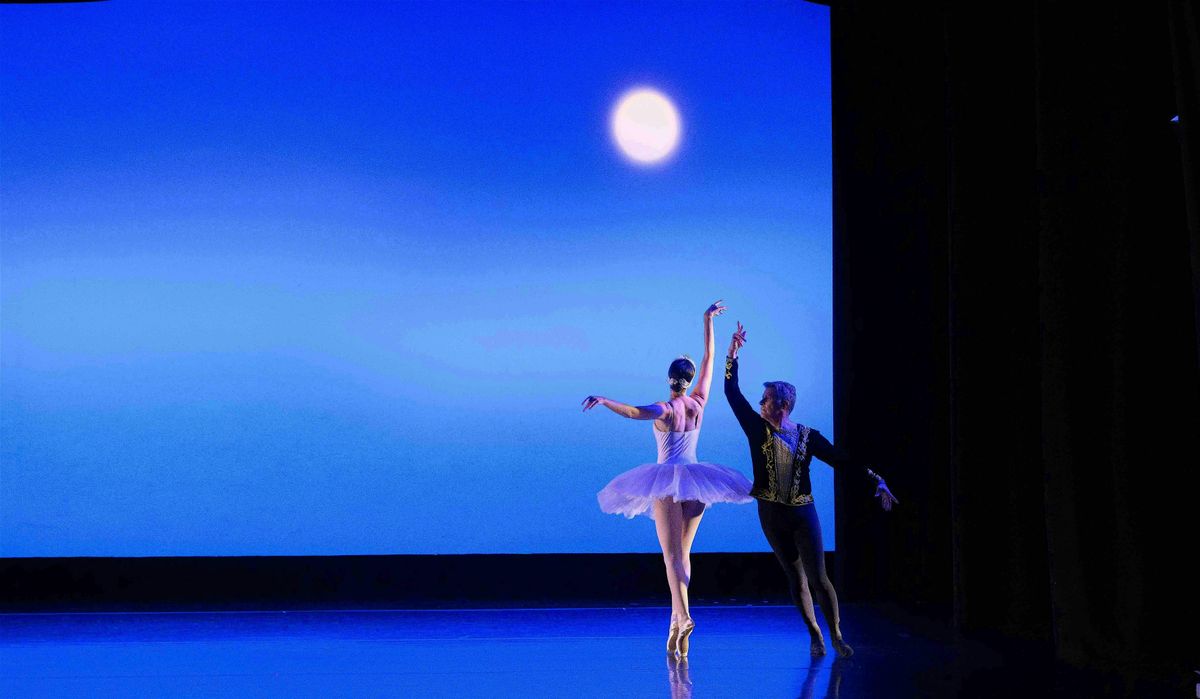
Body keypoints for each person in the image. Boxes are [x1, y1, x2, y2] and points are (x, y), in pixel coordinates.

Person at [583, 301, 752, 657]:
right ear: (689, 381)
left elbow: (634, 412)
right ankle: (676, 621)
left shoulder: (667, 408)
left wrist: (605, 400)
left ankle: (685, 616)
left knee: (670, 556)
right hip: (697, 481)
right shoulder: (698, 403)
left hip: (667, 483)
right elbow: (709, 358)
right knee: (682, 554)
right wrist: (707, 320)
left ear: (669, 379)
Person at [723, 321, 898, 657]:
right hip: (771, 513)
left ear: (782, 405)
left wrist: (876, 479)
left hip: (803, 513)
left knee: (819, 577)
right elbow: (733, 393)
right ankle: (814, 633)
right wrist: (732, 355)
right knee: (796, 577)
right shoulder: (757, 429)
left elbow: (840, 460)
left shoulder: (807, 436)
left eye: (766, 399)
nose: (760, 403)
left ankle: (836, 634)